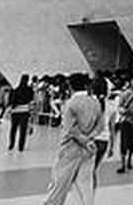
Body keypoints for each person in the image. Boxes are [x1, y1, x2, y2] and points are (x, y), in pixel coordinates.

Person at [43, 73, 103, 205]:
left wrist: (84, 140)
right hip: (89, 150)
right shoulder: (95, 102)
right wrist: (89, 139)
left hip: (70, 149)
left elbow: (70, 129)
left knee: (59, 183)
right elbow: (100, 126)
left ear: (70, 86)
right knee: (85, 186)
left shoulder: (71, 103)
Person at [9, 75, 35, 152]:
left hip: (15, 111)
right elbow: (31, 99)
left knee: (13, 128)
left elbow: (11, 100)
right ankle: (21, 146)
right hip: (25, 111)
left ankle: (11, 144)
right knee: (23, 130)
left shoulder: (16, 89)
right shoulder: (29, 90)